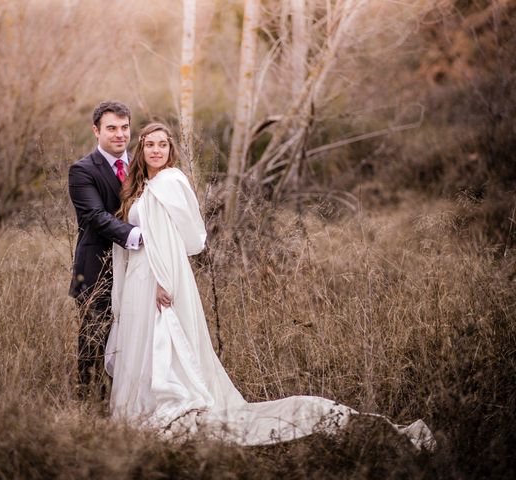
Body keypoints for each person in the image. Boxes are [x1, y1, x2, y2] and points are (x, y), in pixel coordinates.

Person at [105, 122, 434, 449]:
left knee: (165, 339)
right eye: (150, 145)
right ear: (141, 150)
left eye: (163, 145)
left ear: (170, 150)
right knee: (141, 339)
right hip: (140, 276)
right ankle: (140, 403)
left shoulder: (171, 181)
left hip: (163, 275)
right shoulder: (139, 186)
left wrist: (165, 280)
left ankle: (172, 397)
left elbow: (180, 237)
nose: (157, 150)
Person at [68, 100, 145, 401]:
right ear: (96, 130)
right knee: (95, 336)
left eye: (125, 128)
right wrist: (139, 236)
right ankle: (88, 402)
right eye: (111, 128)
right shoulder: (82, 171)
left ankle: (127, 397)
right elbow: (95, 217)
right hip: (97, 267)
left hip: (138, 268)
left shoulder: (142, 165)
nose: (120, 134)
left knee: (134, 335)